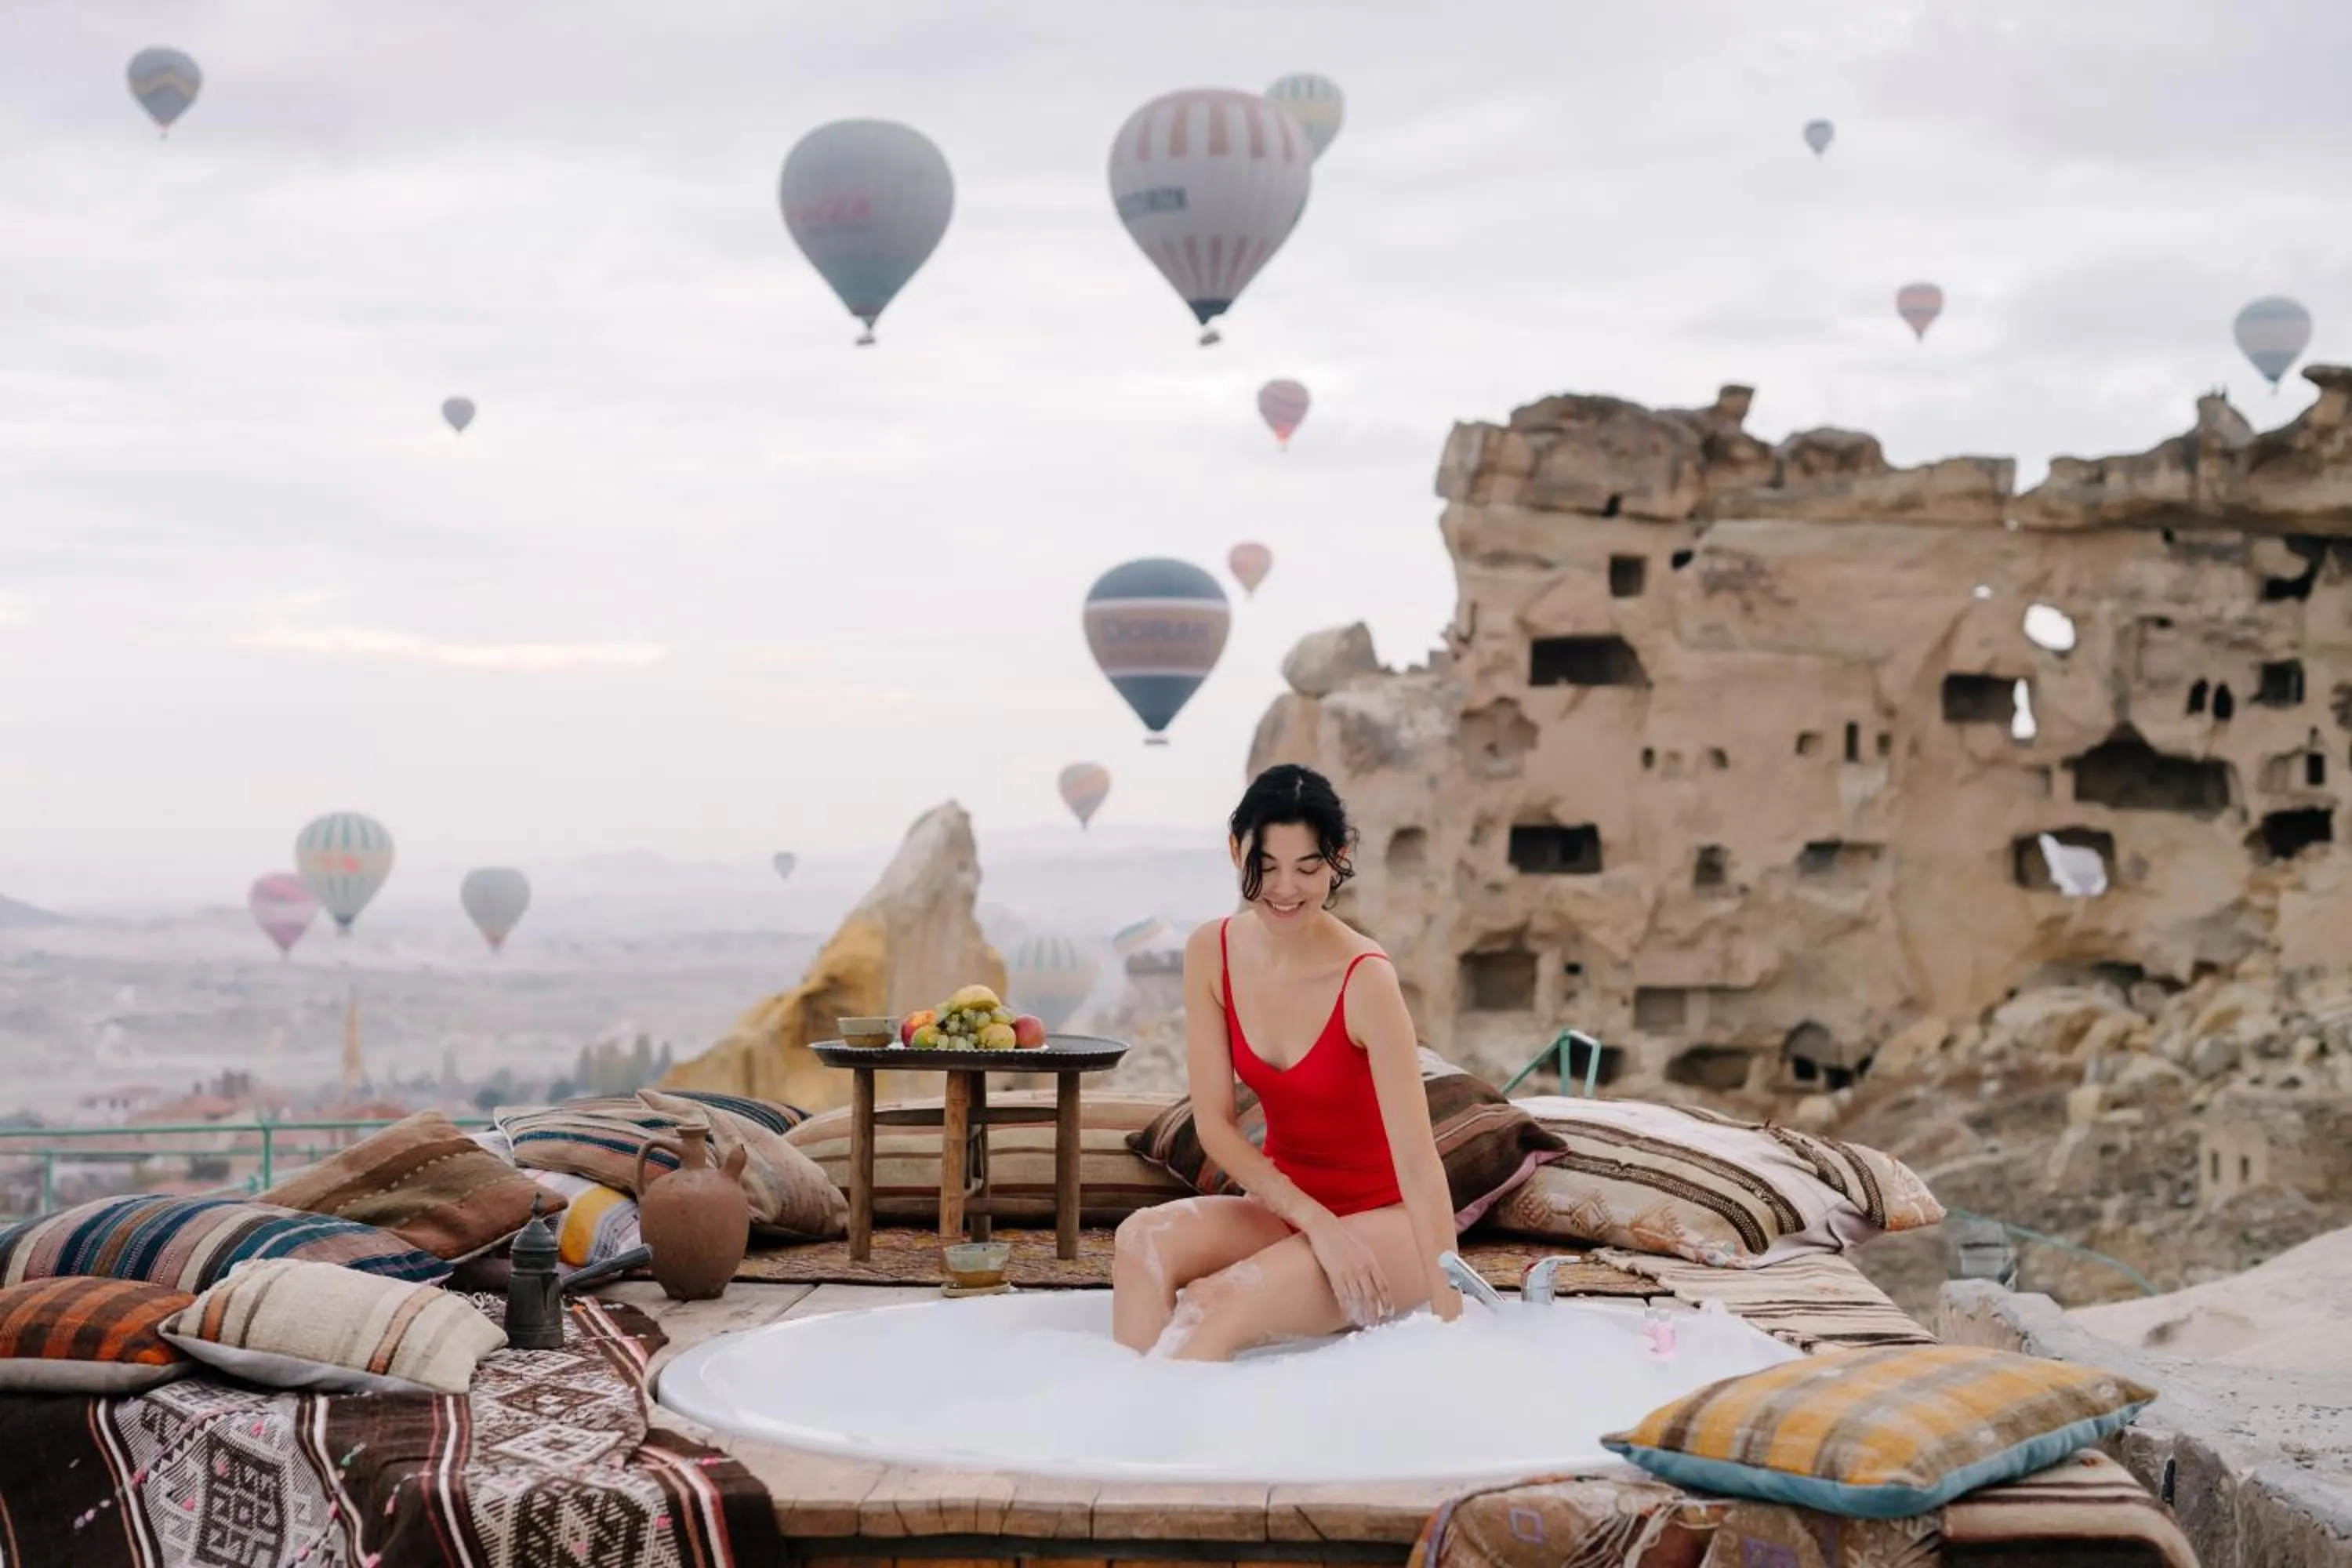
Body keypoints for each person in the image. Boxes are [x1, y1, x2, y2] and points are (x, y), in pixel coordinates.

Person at [1112, 764, 1465, 1360]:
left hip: (1386, 1225)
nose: (1285, 889)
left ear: (1338, 857)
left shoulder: (1366, 979)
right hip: (1288, 1208)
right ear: (1235, 850)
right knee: (1139, 1240)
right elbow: (1216, 1126)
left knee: (1214, 1303)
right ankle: (1119, 1435)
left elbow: (1419, 1163)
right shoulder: (1210, 951)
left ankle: (1164, 1439)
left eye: (1308, 868)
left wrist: (1455, 1327)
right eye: (1266, 865)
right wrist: (1317, 1223)